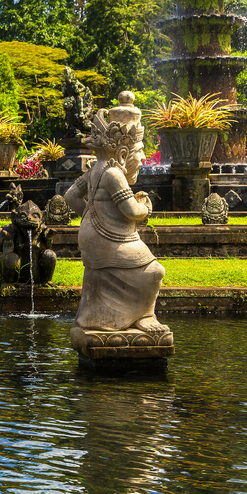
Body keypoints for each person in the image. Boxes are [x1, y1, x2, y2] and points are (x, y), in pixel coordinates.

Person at [64, 91, 168, 335]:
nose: (143, 158)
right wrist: (147, 207)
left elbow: (69, 196)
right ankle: (144, 315)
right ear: (122, 154)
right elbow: (132, 211)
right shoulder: (114, 174)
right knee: (154, 271)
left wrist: (89, 214)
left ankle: (100, 317)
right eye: (140, 151)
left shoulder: (94, 169)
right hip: (109, 239)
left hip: (93, 236)